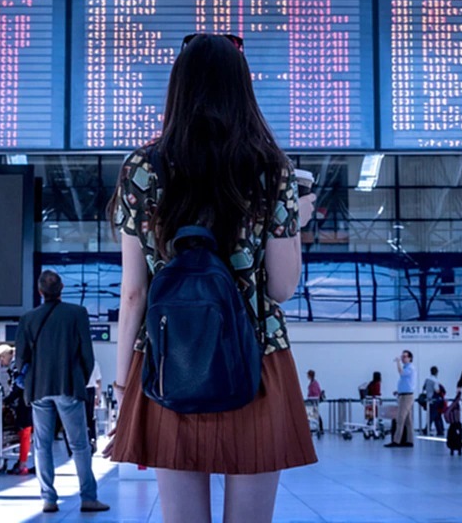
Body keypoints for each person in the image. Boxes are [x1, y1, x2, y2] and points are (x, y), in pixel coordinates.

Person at [104, 34, 318, 523]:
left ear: (178, 88)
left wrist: (122, 384)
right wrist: (292, 224)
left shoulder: (142, 168)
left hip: (167, 361)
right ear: (242, 89)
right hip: (257, 360)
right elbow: (282, 289)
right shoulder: (271, 169)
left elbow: (134, 291)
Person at [16, 270, 109, 514]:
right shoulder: (77, 313)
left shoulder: (28, 318)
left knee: (42, 445)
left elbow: (20, 359)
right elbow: (87, 355)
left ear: (39, 291)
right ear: (62, 288)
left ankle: (48, 499)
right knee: (79, 445)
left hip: (38, 389)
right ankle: (88, 498)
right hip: (69, 386)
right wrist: (79, 378)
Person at [0, 344, 32, 475]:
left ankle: (22, 464)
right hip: (31, 400)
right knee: (28, 433)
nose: (1, 362)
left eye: (0, 359)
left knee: (25, 432)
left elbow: (18, 386)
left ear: (5, 355)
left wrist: (7, 400)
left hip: (25, 402)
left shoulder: (17, 365)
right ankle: (26, 462)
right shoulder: (22, 361)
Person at [386, 350, 417, 448]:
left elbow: (401, 373)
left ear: (410, 358)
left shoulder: (410, 368)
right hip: (403, 395)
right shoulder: (407, 368)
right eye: (402, 356)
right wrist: (398, 391)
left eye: (405, 356)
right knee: (408, 420)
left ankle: (396, 441)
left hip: (406, 397)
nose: (403, 358)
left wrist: (398, 362)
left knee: (400, 418)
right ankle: (409, 440)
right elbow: (406, 383)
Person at [422, 366, 445, 436]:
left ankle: (440, 430)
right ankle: (428, 429)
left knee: (435, 415)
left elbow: (424, 388)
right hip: (434, 400)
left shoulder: (427, 380)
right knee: (434, 415)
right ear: (437, 372)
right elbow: (437, 390)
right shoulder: (435, 380)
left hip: (428, 399)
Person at [86, 361, 102, 453]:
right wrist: (97, 397)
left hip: (79, 390)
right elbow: (98, 382)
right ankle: (92, 440)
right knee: (90, 417)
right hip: (90, 391)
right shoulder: (94, 363)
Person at [306, 370, 324, 435]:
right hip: (311, 400)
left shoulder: (314, 384)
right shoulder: (312, 382)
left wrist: (311, 398)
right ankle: (311, 429)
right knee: (311, 414)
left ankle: (320, 429)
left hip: (313, 401)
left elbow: (316, 393)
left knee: (312, 414)